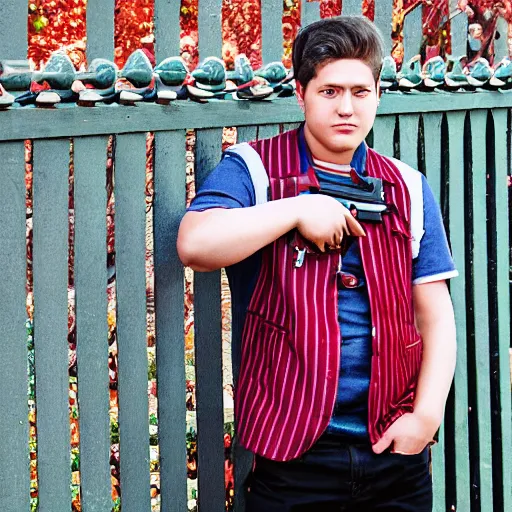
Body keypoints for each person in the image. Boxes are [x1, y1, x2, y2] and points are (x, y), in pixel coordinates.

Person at [177, 15, 457, 512]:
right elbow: (196, 244)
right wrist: (297, 209)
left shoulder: (408, 186)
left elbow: (434, 315)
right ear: (301, 91)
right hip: (295, 458)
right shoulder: (255, 168)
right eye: (329, 92)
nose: (346, 108)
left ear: (377, 96)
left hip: (394, 451)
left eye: (359, 92)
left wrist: (427, 417)